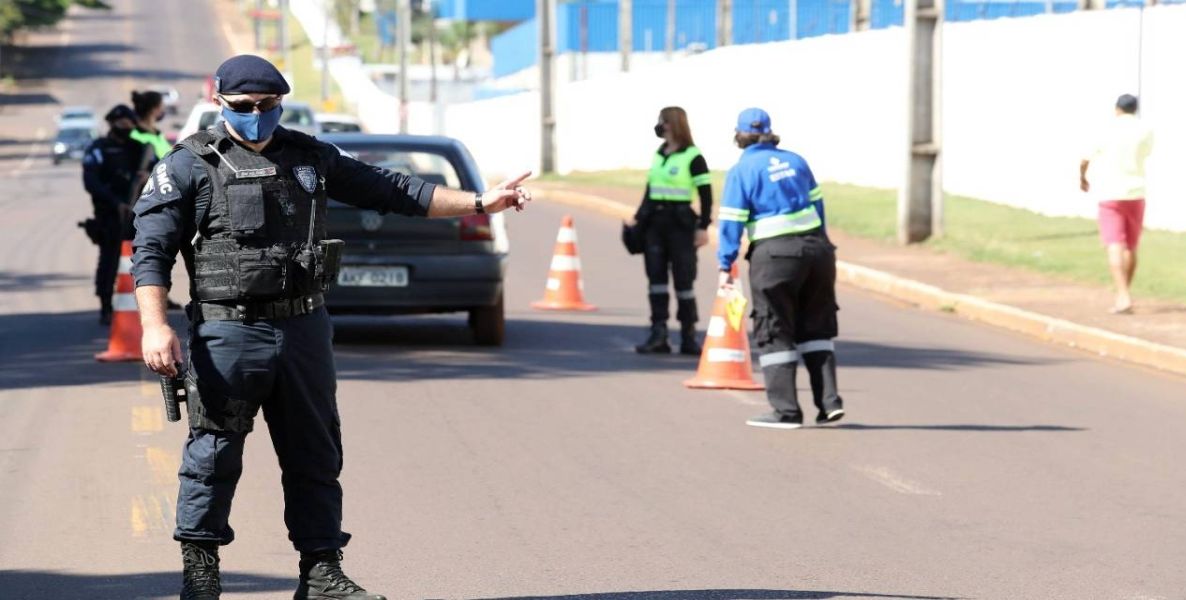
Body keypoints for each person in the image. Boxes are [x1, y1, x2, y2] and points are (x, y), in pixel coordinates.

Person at [132, 55, 533, 600]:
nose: (256, 116)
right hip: (228, 333)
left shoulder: (311, 157)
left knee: (315, 453)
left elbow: (395, 191)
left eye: (267, 106)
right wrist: (155, 327)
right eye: (244, 107)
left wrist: (482, 201)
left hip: (303, 329)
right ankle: (201, 573)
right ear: (222, 103)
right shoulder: (188, 164)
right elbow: (151, 250)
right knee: (213, 453)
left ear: (281, 102)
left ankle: (320, 571)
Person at [716, 108, 843, 430]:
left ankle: (786, 411)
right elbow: (818, 205)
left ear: (739, 135)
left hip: (775, 257)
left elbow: (731, 220)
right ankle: (829, 403)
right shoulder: (796, 161)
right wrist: (822, 244)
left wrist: (725, 262)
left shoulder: (742, 170)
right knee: (817, 328)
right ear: (770, 132)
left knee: (775, 328)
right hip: (817, 251)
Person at [632, 106, 713, 355]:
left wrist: (703, 227)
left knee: (684, 282)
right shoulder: (660, 154)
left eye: (663, 121)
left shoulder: (693, 156)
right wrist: (638, 220)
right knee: (656, 280)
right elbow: (650, 189)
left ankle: (688, 336)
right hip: (655, 225)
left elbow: (706, 195)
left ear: (675, 124)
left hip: (680, 226)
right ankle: (659, 335)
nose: (660, 125)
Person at [1079, 93, 1154, 314]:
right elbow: (1146, 153)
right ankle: (1124, 294)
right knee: (1131, 246)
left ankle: (1123, 296)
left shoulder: (1106, 130)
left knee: (1114, 245)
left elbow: (1085, 158)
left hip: (1110, 193)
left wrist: (1082, 177)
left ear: (1117, 109)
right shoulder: (1145, 130)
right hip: (1136, 192)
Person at [82, 104, 142, 324]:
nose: (126, 127)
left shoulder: (139, 149)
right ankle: (106, 305)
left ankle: (144, 305)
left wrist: (146, 177)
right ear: (112, 124)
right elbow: (91, 181)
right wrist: (115, 202)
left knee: (143, 261)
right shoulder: (99, 148)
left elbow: (159, 173)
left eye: (129, 123)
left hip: (137, 215)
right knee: (108, 260)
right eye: (122, 123)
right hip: (110, 215)